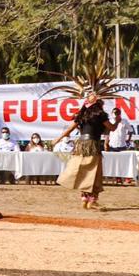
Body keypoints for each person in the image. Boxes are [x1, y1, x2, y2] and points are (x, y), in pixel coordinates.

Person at [51, 67, 118, 209]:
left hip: (81, 144)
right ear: (99, 102)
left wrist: (58, 139)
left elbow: (70, 129)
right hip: (93, 143)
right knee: (94, 171)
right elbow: (111, 128)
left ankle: (83, 197)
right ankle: (92, 199)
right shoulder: (100, 114)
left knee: (81, 170)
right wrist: (117, 120)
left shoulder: (81, 114)